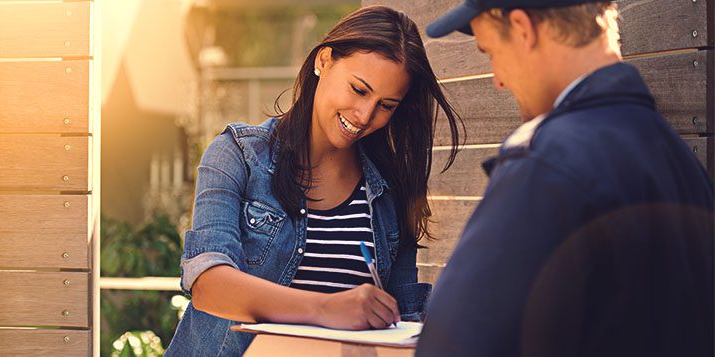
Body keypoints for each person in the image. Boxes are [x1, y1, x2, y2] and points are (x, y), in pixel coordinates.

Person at [417, 1, 714, 356]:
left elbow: (453, 345)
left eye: (491, 52)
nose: (497, 79)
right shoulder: (679, 161)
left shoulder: (547, 164)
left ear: (524, 29)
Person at [165, 5, 462, 356]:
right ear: (324, 61)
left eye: (386, 105)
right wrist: (326, 309)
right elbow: (209, 285)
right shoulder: (238, 155)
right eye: (359, 89)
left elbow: (402, 320)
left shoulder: (388, 190)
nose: (365, 115)